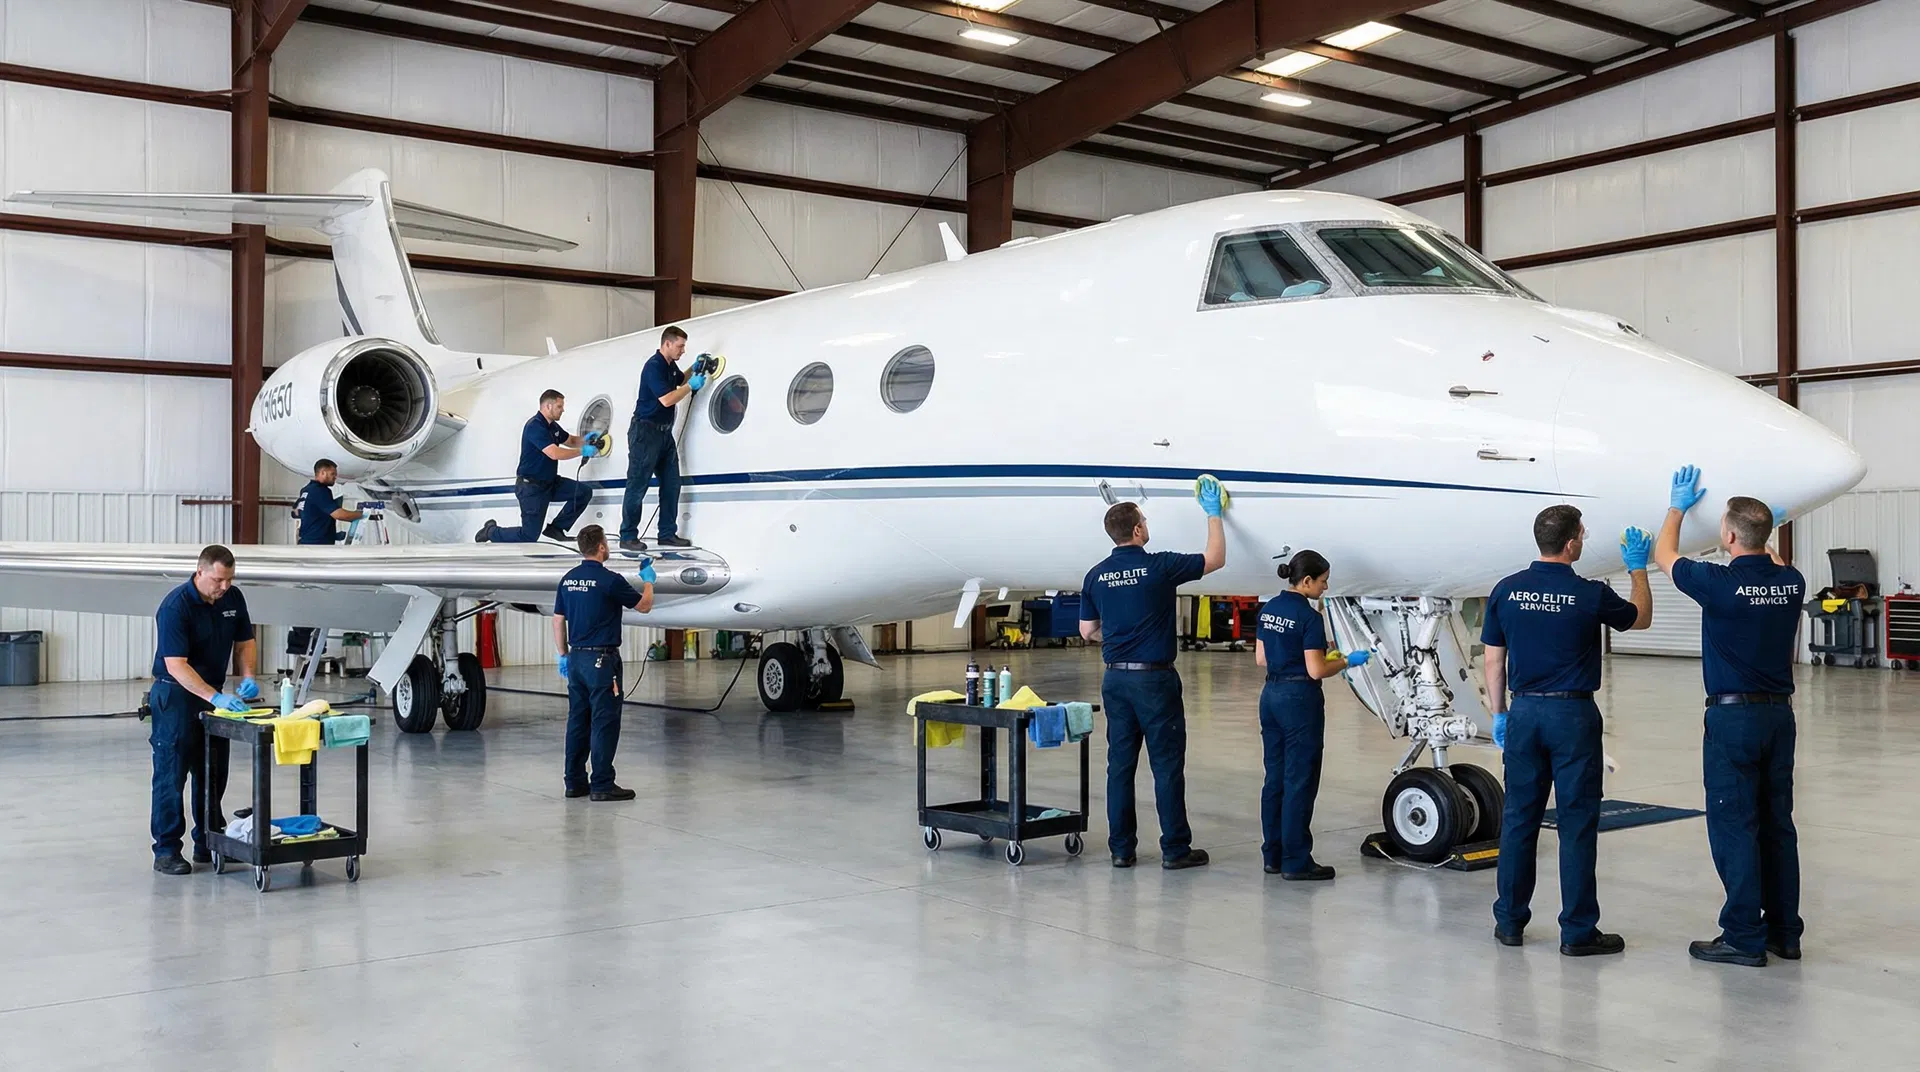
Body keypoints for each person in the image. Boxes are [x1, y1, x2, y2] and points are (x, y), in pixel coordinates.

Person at [1483, 505, 1652, 956]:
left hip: (1523, 715)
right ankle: (1578, 932)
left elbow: (1494, 661)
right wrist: (1638, 569)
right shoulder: (1590, 594)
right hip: (1572, 717)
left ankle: (1510, 923)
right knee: (1576, 824)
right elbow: (1640, 618)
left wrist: (1499, 713)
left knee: (1519, 820)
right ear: (1573, 542)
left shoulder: (1507, 590)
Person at [1655, 465, 1806, 967]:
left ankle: (1743, 935)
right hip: (1779, 720)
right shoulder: (1791, 582)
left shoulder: (1716, 582)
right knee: (1777, 825)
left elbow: (1664, 555)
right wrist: (1767, 533)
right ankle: (1785, 933)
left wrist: (1676, 505)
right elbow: (1776, 564)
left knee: (1734, 825)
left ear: (1729, 535)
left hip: (1732, 720)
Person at [1078, 481, 1227, 870]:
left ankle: (1121, 849)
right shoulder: (1159, 566)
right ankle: (1175, 849)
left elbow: (1086, 630)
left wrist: (1118, 637)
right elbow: (1214, 558)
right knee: (1166, 766)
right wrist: (1213, 512)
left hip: (1116, 680)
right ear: (1138, 531)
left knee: (1120, 767)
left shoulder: (1095, 575)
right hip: (1155, 681)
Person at [1253, 550, 1371, 881]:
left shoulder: (1268, 609)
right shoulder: (1309, 618)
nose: (1325, 587)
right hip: (1298, 699)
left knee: (1274, 778)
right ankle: (1296, 860)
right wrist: (1347, 661)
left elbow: (1261, 658)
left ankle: (1272, 855)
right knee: (1300, 780)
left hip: (1271, 695)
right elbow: (1316, 669)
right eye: (1322, 581)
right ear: (1306, 581)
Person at [148, 545, 260, 875]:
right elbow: (177, 665)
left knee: (212, 771)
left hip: (212, 693)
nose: (224, 587)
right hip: (176, 696)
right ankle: (166, 850)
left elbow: (245, 641)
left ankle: (208, 842)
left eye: (230, 579)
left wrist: (248, 675)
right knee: (172, 774)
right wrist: (215, 698)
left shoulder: (233, 599)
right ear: (200, 573)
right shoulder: (175, 607)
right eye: (218, 580)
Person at [552, 525, 655, 801]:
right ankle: (601, 784)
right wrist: (648, 581)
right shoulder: (610, 580)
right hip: (602, 661)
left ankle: (574, 782)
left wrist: (564, 654)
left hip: (576, 660)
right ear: (600, 547)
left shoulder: (568, 579)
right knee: (603, 721)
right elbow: (644, 606)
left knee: (577, 721)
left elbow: (558, 619)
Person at [476, 389, 600, 544]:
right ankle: (491, 531)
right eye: (559, 407)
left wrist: (585, 439)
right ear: (548, 406)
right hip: (531, 488)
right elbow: (554, 453)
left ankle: (556, 528)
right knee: (529, 536)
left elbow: (571, 441)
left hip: (550, 483)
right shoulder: (535, 426)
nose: (563, 410)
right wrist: (582, 451)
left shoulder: (553, 427)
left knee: (583, 492)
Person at [619, 326, 703, 552]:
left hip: (664, 433)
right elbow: (667, 399)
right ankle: (627, 535)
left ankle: (667, 533)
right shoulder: (653, 366)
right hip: (645, 433)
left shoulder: (669, 366)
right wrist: (690, 387)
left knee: (671, 484)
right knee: (638, 485)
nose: (683, 350)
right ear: (667, 344)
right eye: (680, 346)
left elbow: (678, 379)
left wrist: (693, 369)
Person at [288, 458, 363, 659]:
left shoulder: (305, 490)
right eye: (332, 474)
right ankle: (309, 643)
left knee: (306, 595)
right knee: (316, 595)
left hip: (307, 547)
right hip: (317, 550)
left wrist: (322, 527)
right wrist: (361, 514)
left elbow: (296, 511)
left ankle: (301, 644)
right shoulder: (321, 491)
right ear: (321, 473)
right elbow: (339, 514)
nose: (334, 477)